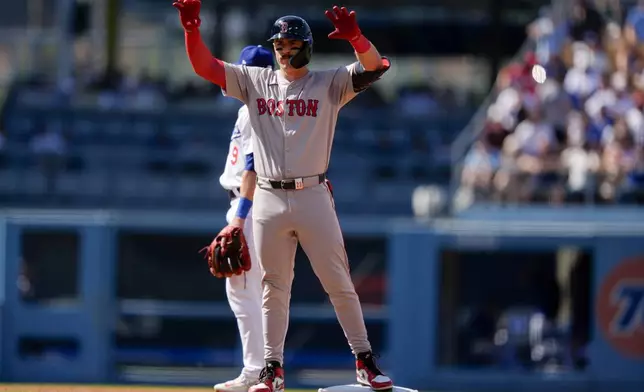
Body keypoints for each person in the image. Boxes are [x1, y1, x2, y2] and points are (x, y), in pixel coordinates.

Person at [173, 2, 393, 391]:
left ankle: (365, 361)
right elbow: (204, 67)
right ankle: (271, 370)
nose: (284, 50)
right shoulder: (255, 81)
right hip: (269, 198)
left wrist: (357, 38)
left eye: (291, 43)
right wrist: (192, 29)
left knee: (338, 282)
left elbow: (374, 67)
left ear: (306, 45)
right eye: (279, 44)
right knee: (273, 287)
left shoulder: (329, 82)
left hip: (312, 193)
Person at [214, 45, 274, 392]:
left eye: (242, 71)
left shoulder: (255, 110)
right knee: (253, 291)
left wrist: (239, 218)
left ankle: (258, 370)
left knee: (243, 290)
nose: (233, 77)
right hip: (248, 204)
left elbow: (251, 170)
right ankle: (265, 371)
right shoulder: (248, 110)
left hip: (249, 205)